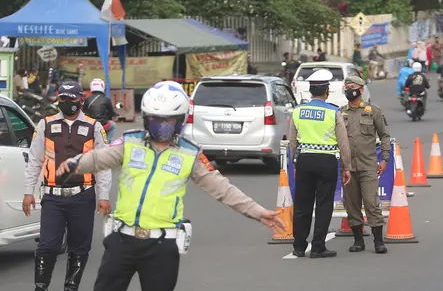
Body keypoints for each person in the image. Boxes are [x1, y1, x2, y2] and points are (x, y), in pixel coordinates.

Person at [55, 81, 286, 291]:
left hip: (161, 246)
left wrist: (259, 212)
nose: (161, 126)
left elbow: (223, 190)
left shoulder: (189, 153)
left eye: (168, 120)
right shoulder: (130, 142)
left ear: (180, 120)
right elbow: (98, 158)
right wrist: (75, 164)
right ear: (146, 118)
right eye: (156, 120)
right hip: (121, 241)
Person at [23, 81, 112, 291]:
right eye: (63, 99)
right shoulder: (45, 124)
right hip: (53, 196)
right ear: (58, 100)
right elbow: (34, 160)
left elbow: (103, 164)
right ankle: (41, 286)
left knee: (79, 248)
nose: (67, 103)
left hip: (83, 196)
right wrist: (29, 192)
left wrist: (104, 195)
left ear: (81, 100)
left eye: (71, 99)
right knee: (47, 245)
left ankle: (71, 287)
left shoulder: (94, 127)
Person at [287, 70, 352, 258]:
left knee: (302, 204)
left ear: (309, 91)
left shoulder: (298, 111)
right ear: (327, 92)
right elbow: (343, 142)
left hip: (305, 160)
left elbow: (292, 141)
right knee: (323, 204)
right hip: (327, 161)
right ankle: (317, 247)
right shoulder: (333, 112)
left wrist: (294, 163)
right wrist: (346, 167)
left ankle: (299, 246)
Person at [340, 75, 391, 254]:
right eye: (346, 87)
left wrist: (384, 159)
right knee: (351, 204)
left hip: (368, 164)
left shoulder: (372, 111)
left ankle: (378, 241)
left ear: (361, 90)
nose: (348, 90)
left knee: (371, 202)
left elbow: (384, 135)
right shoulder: (340, 113)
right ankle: (358, 241)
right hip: (347, 167)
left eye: (352, 86)